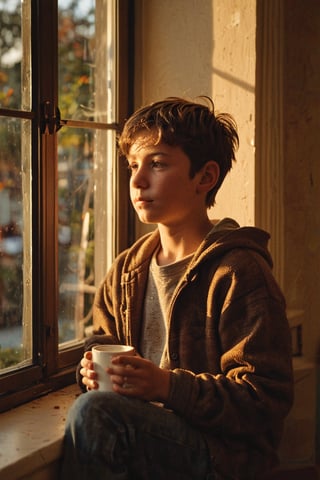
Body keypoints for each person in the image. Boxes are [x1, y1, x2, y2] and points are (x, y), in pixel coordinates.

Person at [60, 97, 293, 480]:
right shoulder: (127, 270)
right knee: (94, 406)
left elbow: (265, 397)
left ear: (205, 177)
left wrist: (167, 386)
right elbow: (100, 341)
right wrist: (89, 371)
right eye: (133, 165)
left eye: (157, 164)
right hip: (147, 436)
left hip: (220, 455)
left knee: (94, 414)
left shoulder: (239, 271)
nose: (136, 180)